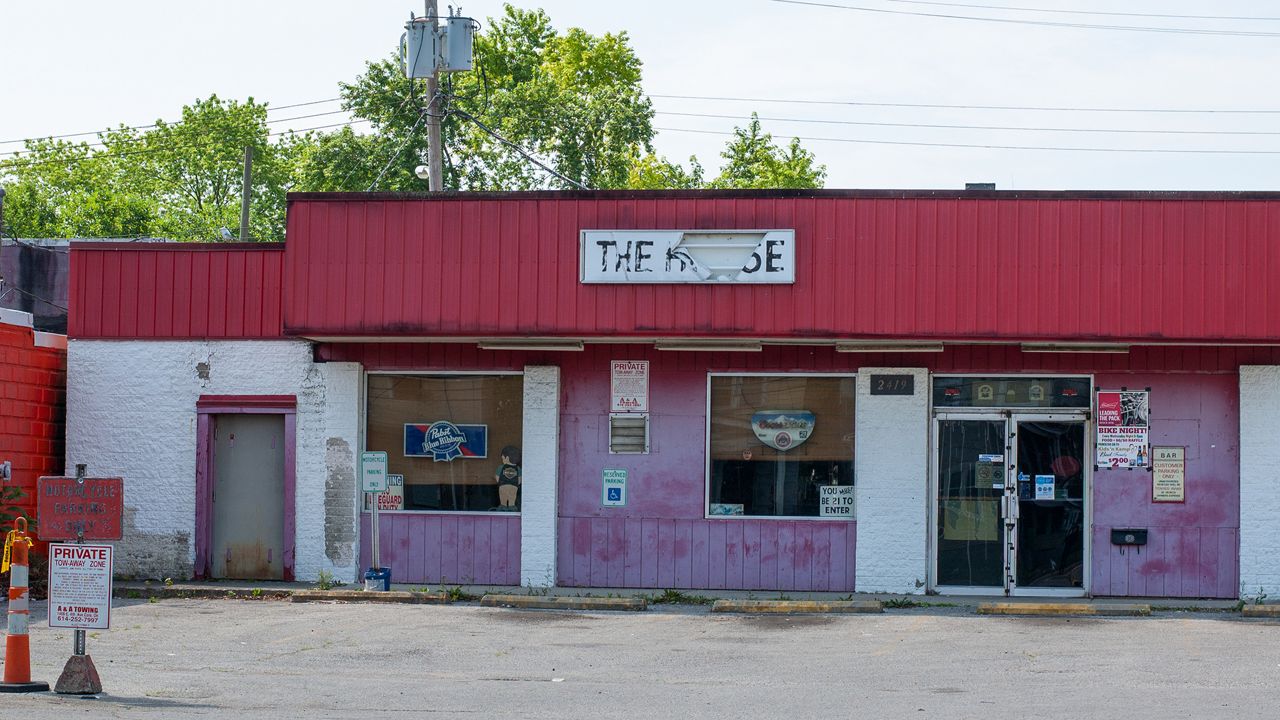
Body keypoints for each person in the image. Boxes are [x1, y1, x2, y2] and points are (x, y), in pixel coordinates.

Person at [495, 445, 522, 510]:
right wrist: (516, 484)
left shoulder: (500, 467)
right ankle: (512, 506)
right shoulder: (518, 469)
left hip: (503, 486)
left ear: (506, 458)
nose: (502, 460)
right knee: (512, 497)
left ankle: (503, 506)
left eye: (502, 458)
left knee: (503, 497)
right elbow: (519, 480)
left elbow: (497, 478)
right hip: (514, 487)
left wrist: (500, 482)